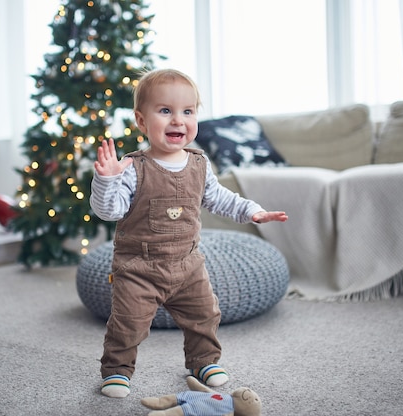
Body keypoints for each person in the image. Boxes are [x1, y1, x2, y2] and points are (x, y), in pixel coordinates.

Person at [90, 68, 288, 398]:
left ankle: (203, 361)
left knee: (204, 315)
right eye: (165, 111)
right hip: (139, 266)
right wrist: (107, 180)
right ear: (141, 121)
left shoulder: (199, 163)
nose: (178, 121)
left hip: (188, 264)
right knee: (128, 323)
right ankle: (117, 370)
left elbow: (219, 197)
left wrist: (251, 210)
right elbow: (109, 210)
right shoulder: (131, 167)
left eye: (188, 111)